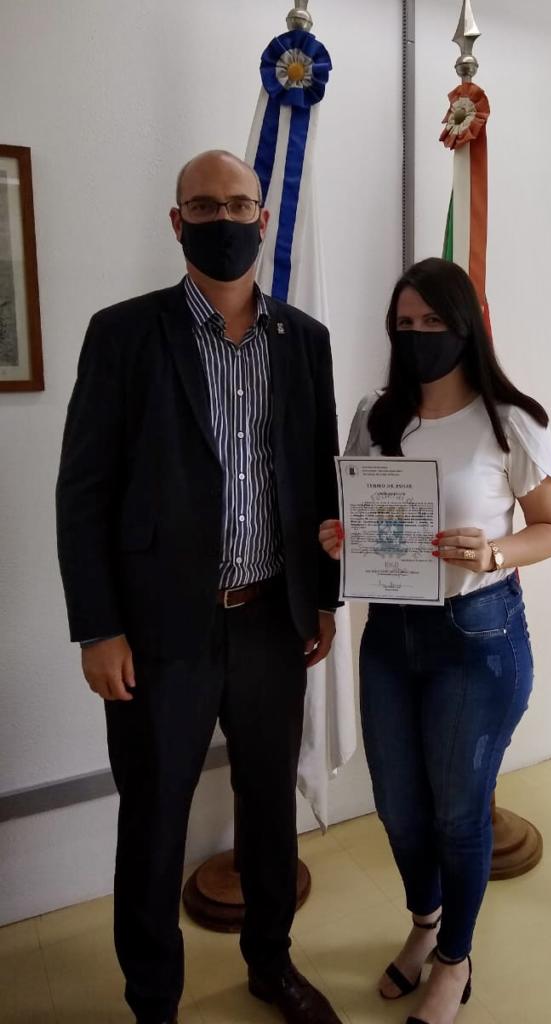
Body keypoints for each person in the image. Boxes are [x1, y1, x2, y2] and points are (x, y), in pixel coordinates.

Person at [56, 150, 343, 1024]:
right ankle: (154, 1001)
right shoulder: (123, 334)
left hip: (271, 623)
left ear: (264, 218)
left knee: (269, 810)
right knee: (153, 823)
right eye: (205, 207)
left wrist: (324, 597)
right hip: (156, 634)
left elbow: (318, 480)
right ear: (177, 222)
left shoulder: (305, 340)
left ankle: (271, 965)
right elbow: (84, 490)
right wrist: (97, 627)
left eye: (240, 205)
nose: (225, 220)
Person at [319, 258, 551, 1024]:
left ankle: (455, 961)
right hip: (389, 636)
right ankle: (426, 924)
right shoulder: (375, 413)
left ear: (466, 327)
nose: (419, 335)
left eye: (434, 321)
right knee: (398, 807)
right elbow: (356, 511)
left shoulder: (510, 420)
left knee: (459, 814)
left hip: (477, 637)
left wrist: (495, 551)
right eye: (406, 323)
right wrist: (341, 536)